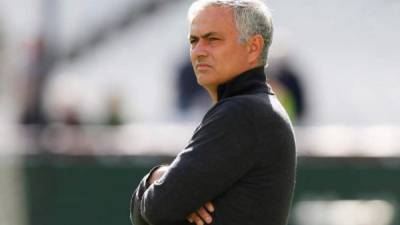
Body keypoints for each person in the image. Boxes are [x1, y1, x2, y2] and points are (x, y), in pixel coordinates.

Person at [130, 1, 296, 225]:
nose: (198, 52)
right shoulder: (255, 108)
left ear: (253, 47)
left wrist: (156, 181)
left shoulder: (242, 113)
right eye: (193, 40)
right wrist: (162, 179)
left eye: (213, 39)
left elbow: (156, 209)